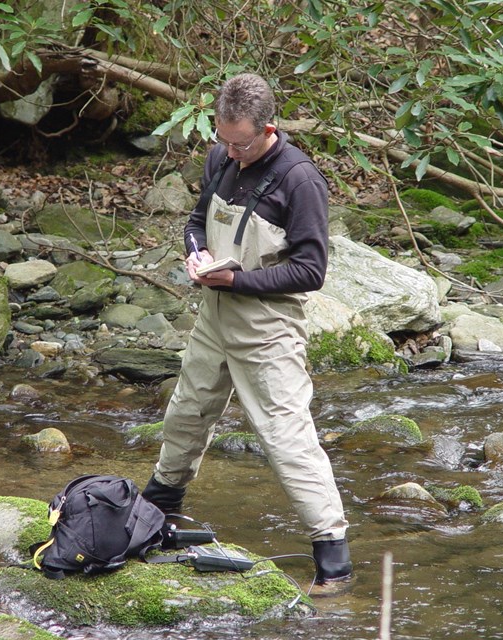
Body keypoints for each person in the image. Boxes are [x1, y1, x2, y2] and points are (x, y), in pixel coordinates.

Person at [142, 73, 352, 583]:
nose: (231, 152)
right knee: (187, 412)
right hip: (214, 317)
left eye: (241, 143)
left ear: (269, 130)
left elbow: (311, 271)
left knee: (287, 437)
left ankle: (333, 558)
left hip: (269, 326)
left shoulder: (300, 180)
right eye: (223, 139)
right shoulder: (221, 158)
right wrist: (198, 256)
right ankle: (157, 513)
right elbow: (195, 222)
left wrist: (237, 278)